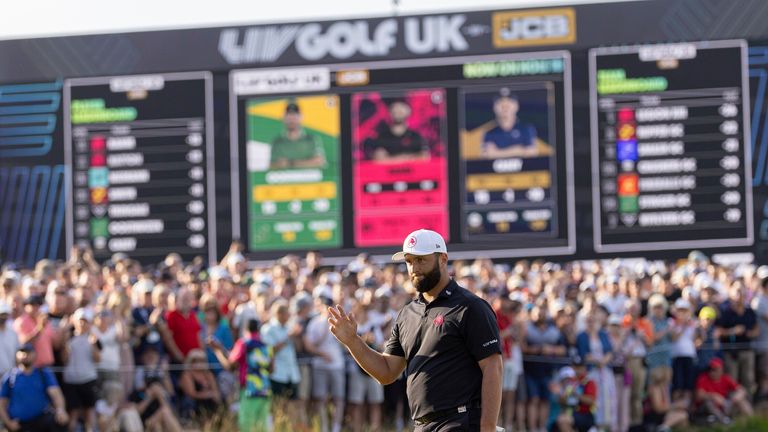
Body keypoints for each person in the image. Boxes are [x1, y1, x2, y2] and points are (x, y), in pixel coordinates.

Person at [328, 228, 503, 432]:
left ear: (442, 259)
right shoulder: (406, 314)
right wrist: (353, 341)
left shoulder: (470, 307)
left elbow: (493, 367)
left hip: (460, 421)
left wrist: (488, 427)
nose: (414, 268)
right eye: (409, 261)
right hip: (421, 425)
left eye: (421, 260)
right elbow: (386, 372)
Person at [209, 319, 273, 432]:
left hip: (249, 390)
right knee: (262, 427)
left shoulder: (244, 343)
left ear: (245, 329)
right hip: (264, 390)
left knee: (246, 426)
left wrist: (217, 350)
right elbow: (271, 369)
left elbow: (230, 365)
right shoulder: (266, 346)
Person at [0, 344, 69, 432]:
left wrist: (60, 410)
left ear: (34, 354)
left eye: (28, 353)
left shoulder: (43, 373)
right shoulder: (10, 377)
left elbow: (56, 393)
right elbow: (2, 404)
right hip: (20, 424)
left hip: (40, 420)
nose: (25, 355)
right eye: (22, 352)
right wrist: (8, 422)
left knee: (60, 422)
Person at [61, 308, 101, 432]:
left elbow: (98, 359)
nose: (82, 324)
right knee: (73, 413)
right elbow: (64, 359)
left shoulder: (93, 339)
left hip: (88, 379)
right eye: (80, 321)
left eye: (85, 321)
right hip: (72, 380)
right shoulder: (69, 338)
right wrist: (65, 342)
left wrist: (93, 345)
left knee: (90, 413)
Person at [363, 98, 430, 162]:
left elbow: (424, 157)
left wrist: (392, 159)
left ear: (408, 112)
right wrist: (409, 157)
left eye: (401, 108)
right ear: (389, 112)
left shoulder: (416, 136)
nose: (398, 111)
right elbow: (378, 159)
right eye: (394, 109)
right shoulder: (382, 137)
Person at [481, 89, 538, 159]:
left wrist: (497, 153)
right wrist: (518, 150)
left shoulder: (526, 129)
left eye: (509, 102)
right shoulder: (490, 133)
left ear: (516, 106)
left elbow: (531, 153)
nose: (505, 106)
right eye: (500, 102)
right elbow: (487, 156)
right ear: (494, 107)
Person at [695, 358, 753, 424]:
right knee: (708, 402)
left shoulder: (725, 378)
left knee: (742, 400)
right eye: (710, 369)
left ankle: (751, 419)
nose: (712, 372)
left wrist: (737, 396)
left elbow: (742, 390)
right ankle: (724, 421)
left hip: (725, 406)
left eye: (715, 369)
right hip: (707, 409)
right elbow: (699, 395)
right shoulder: (703, 378)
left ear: (721, 370)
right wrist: (713, 396)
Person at [270, 102, 326, 169]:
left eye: (295, 116)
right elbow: (272, 165)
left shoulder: (312, 139)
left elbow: (319, 161)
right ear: (284, 118)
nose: (292, 120)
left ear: (301, 117)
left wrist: (291, 163)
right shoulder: (277, 142)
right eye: (289, 116)